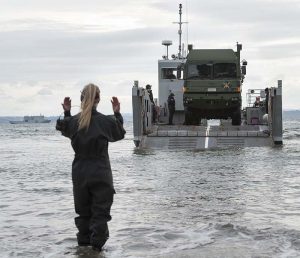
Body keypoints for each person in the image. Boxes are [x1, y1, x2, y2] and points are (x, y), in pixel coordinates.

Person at [56, 83, 126, 251]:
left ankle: (83, 250)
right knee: (100, 215)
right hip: (101, 172)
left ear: (81, 99)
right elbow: (119, 133)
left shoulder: (73, 122)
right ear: (98, 99)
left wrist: (67, 111)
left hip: (80, 172)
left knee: (83, 215)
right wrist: (117, 113)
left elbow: (64, 127)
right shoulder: (105, 121)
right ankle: (96, 251)